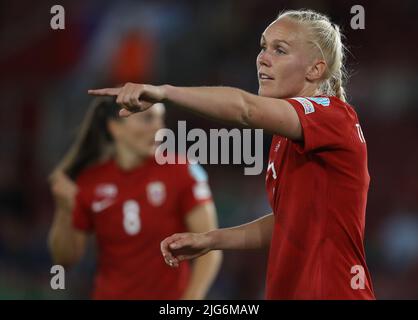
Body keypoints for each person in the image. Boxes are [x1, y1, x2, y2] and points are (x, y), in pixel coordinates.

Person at [88, 9, 375, 299]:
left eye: (280, 50)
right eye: (263, 47)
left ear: (315, 70)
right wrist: (211, 240)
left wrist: (164, 92)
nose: (263, 58)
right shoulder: (287, 138)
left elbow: (245, 109)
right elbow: (287, 223)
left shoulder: (334, 117)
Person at [48, 97, 222, 299]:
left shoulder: (182, 171)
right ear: (115, 128)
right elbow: (65, 260)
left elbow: (210, 249)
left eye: (161, 119)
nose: (160, 128)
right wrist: (64, 210)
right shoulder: (90, 182)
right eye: (148, 119)